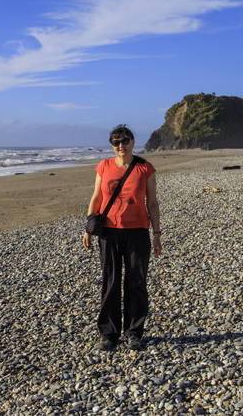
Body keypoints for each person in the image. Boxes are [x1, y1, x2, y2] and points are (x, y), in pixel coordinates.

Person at [82, 124, 161, 351]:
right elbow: (96, 198)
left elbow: (152, 203)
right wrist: (88, 228)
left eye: (125, 141)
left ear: (133, 142)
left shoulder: (145, 168)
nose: (120, 146)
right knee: (111, 281)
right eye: (115, 142)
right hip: (109, 232)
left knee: (136, 281)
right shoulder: (104, 166)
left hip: (138, 231)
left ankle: (134, 332)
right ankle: (109, 334)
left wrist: (156, 234)